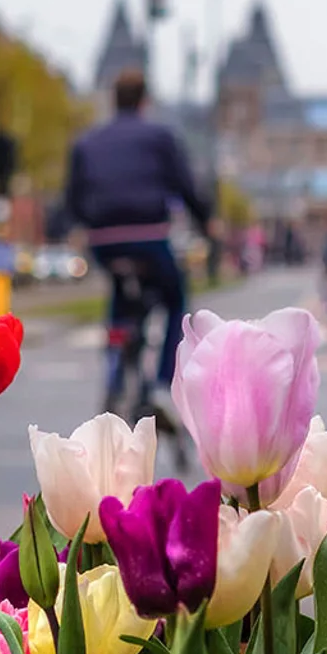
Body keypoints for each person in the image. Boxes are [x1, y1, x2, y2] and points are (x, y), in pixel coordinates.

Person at [65, 69, 213, 409]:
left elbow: (72, 197)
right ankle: (162, 385)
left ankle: (115, 364)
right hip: (148, 236)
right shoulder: (160, 137)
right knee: (175, 299)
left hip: (104, 241)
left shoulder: (87, 141)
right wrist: (206, 221)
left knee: (119, 291)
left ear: (112, 101)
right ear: (145, 102)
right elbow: (185, 186)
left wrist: (82, 224)